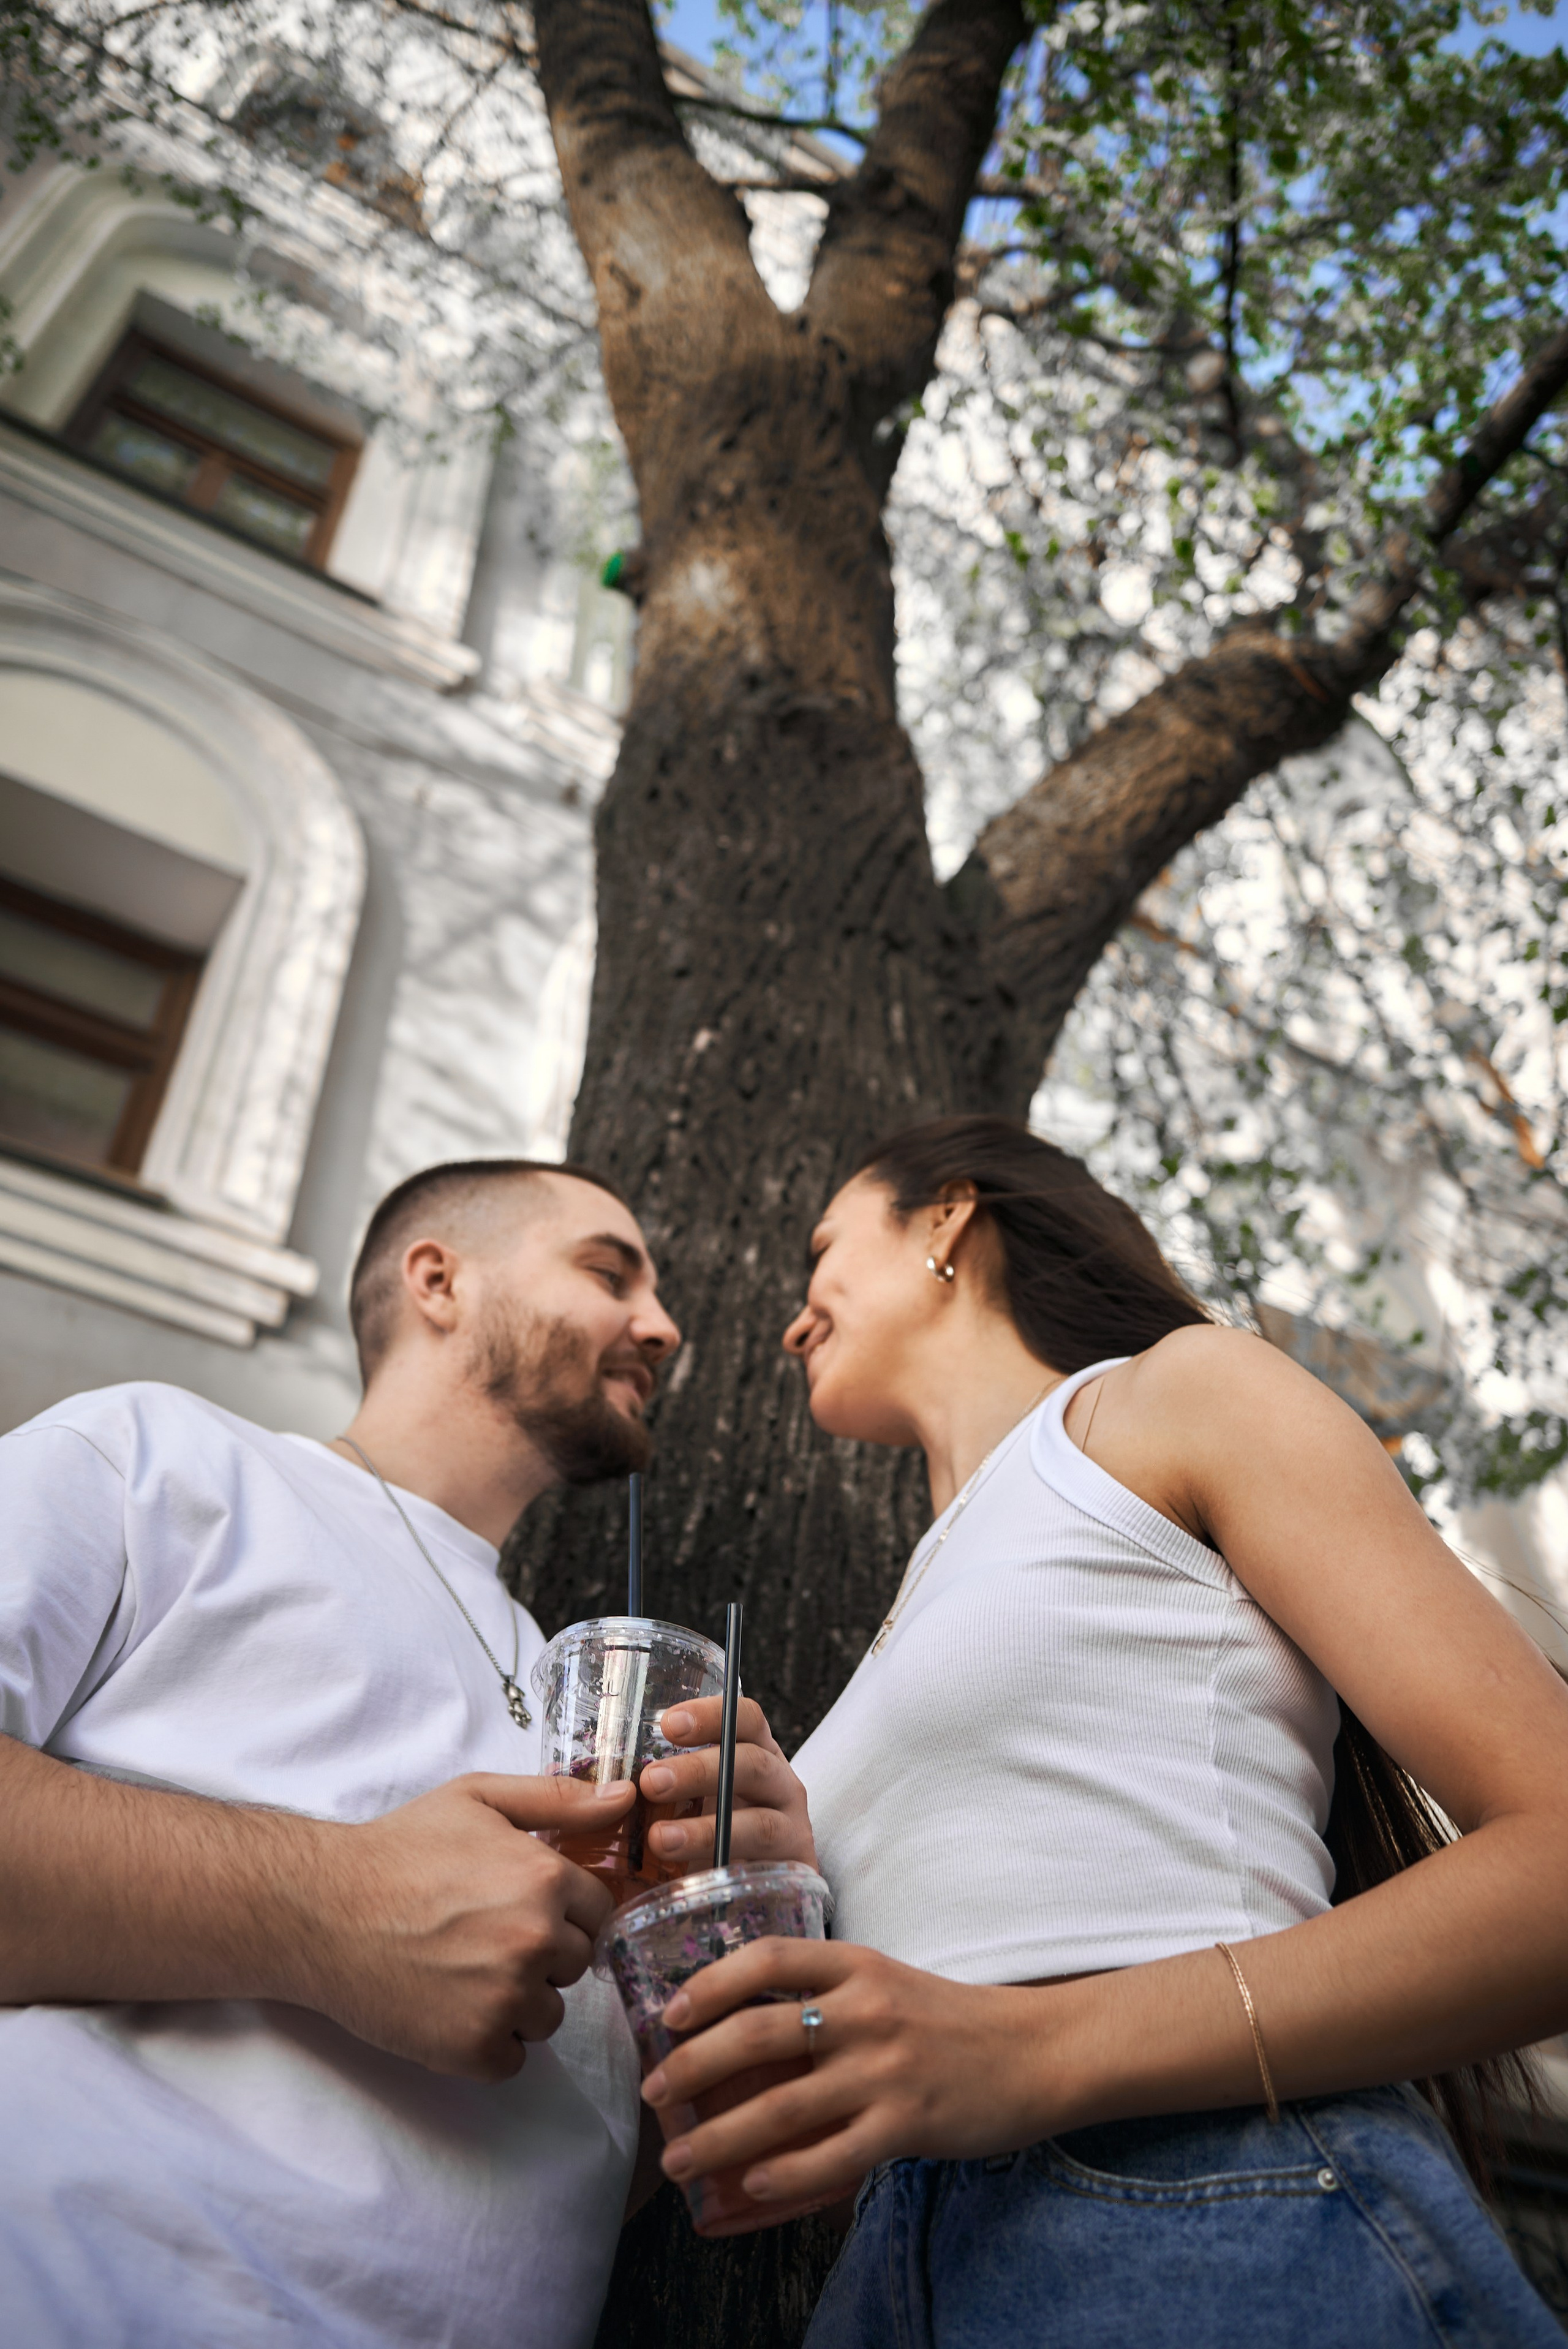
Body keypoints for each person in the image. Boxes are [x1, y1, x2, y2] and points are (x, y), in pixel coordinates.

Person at [641, 1115, 1568, 2347]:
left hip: (1199, 2207)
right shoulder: (926, 1590)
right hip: (900, 2264)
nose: (791, 1315)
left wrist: (1026, 2049)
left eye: (823, 1247)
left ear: (945, 1222)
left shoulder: (1179, 1394)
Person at [0, 1155, 816, 2349]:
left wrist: (730, 1945)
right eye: (607, 1271)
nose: (664, 1325)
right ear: (436, 1279)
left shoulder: (591, 1707)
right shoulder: (160, 1458)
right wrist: (323, 1903)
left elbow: (575, 2151)